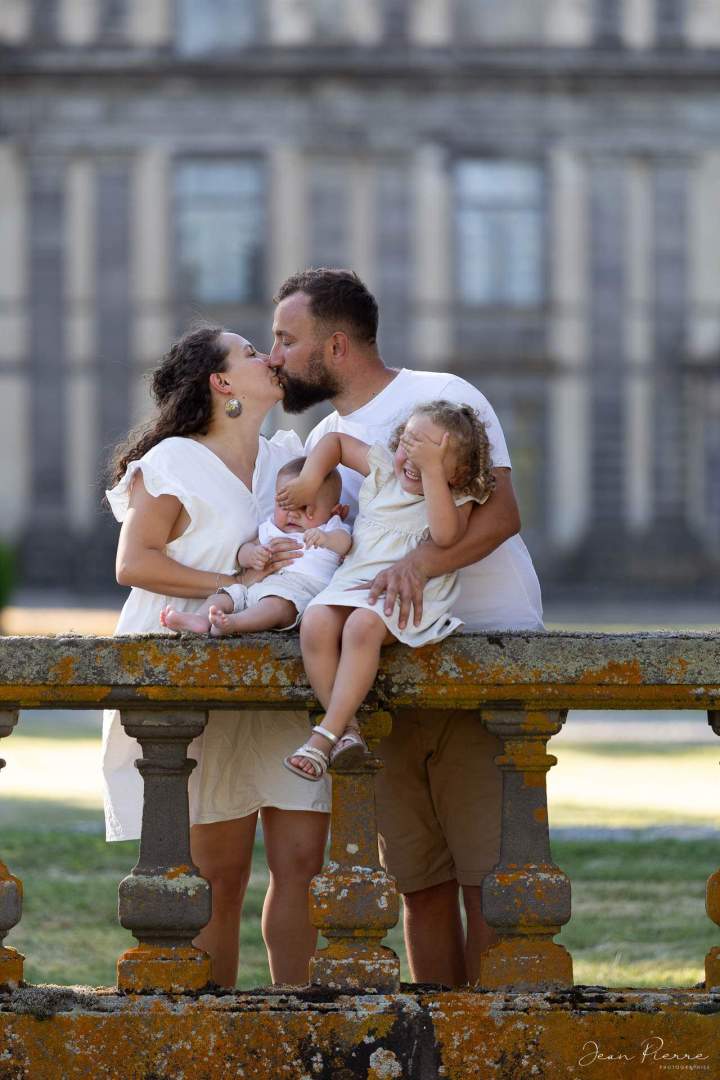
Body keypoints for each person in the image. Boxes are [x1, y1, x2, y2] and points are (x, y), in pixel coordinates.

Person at [267, 267, 544, 987]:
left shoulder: (440, 399)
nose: (274, 357)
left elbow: (503, 512)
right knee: (418, 882)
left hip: (480, 649)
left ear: (333, 347)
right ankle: (442, 1046)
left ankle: (494, 1048)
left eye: (285, 340)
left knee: (490, 878)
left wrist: (419, 564)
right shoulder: (324, 437)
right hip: (382, 670)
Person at [102, 325, 330, 989]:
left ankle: (303, 1027)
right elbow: (134, 563)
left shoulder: (288, 454)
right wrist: (232, 586)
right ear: (222, 383)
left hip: (281, 672)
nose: (271, 358)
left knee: (303, 864)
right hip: (190, 671)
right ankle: (212, 1027)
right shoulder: (174, 460)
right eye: (253, 353)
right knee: (219, 873)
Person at [278, 401, 494, 781]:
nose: (413, 458)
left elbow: (446, 536)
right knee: (315, 621)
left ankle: (324, 736)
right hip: (352, 582)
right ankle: (346, 731)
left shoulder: (453, 498)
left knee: (361, 627)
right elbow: (335, 442)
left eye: (429, 454)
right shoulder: (382, 473)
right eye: (408, 445)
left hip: (400, 596)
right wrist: (310, 479)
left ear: (458, 472)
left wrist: (431, 474)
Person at [159, 457, 351, 637]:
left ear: (333, 510)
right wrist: (252, 555)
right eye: (284, 505)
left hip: (296, 593)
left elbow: (345, 544)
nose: (292, 514)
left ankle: (233, 624)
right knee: (227, 594)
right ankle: (200, 619)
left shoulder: (331, 527)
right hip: (256, 585)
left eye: (304, 508)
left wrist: (326, 538)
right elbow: (245, 550)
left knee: (276, 607)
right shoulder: (271, 528)